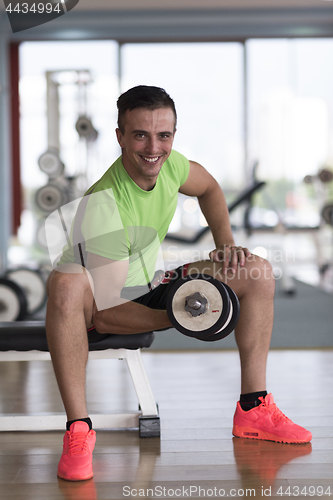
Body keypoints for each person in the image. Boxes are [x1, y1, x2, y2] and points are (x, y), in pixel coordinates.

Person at [46, 85, 312, 482]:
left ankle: (254, 408)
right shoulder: (103, 204)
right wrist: (183, 315)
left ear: (173, 135)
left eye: (164, 135)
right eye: (140, 135)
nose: (154, 147)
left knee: (255, 271)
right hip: (92, 307)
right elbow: (106, 316)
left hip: (143, 284)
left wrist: (226, 247)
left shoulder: (171, 165)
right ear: (120, 136)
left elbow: (209, 188)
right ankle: (79, 430)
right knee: (64, 283)